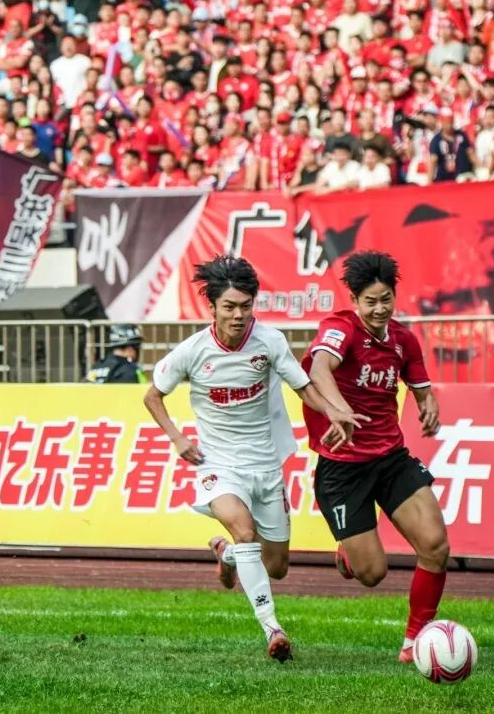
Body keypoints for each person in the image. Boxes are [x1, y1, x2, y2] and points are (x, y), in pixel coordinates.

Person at [144, 255, 364, 663]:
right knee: (244, 531)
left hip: (265, 465)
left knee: (276, 565)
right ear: (212, 307)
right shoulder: (192, 350)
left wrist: (333, 411)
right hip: (217, 464)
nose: (238, 315)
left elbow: (303, 388)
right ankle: (272, 628)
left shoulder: (269, 342)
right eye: (229, 306)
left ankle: (226, 555)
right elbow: (152, 396)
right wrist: (177, 438)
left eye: (245, 306)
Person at [300, 251, 447, 664]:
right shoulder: (340, 329)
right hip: (343, 468)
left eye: (386, 299)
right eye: (371, 301)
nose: (380, 308)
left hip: (390, 459)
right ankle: (349, 553)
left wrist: (429, 404)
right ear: (354, 299)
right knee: (372, 574)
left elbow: (421, 386)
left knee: (435, 545)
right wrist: (339, 410)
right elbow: (319, 369)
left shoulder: (403, 340)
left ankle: (415, 642)